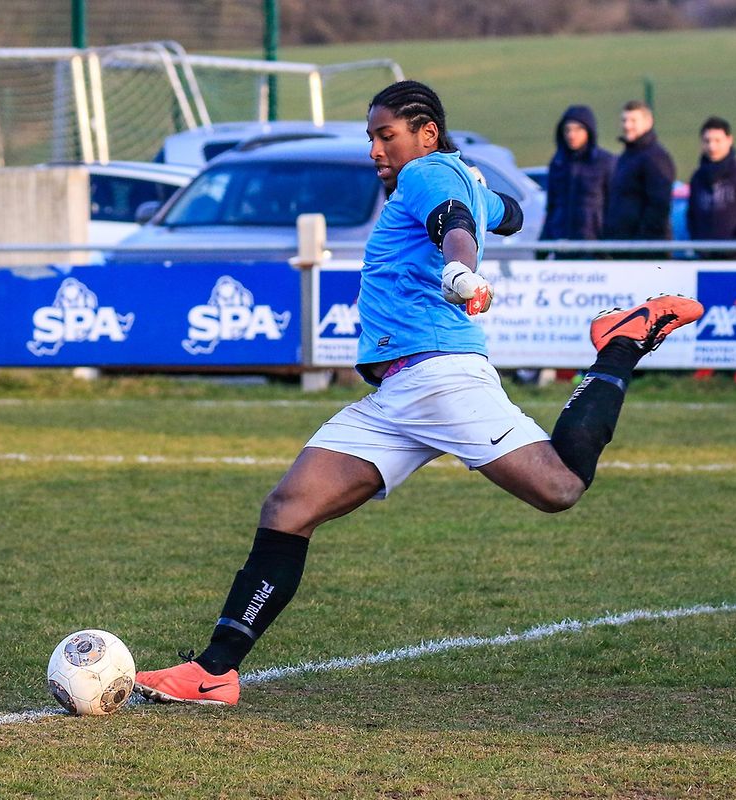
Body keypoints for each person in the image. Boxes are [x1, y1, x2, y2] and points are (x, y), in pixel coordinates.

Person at [134, 81, 703, 707]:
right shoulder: (454, 174)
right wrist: (486, 201)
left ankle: (620, 344)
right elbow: (500, 212)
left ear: (425, 133)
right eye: (371, 138)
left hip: (440, 379)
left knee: (560, 486)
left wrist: (459, 266)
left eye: (387, 135)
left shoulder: (426, 174)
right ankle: (215, 670)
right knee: (288, 508)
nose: (376, 150)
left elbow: (451, 224)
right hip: (396, 395)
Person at [540, 105, 615, 257]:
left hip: (594, 251)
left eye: (578, 129)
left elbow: (613, 207)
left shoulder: (605, 162)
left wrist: (609, 246)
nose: (571, 135)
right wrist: (542, 246)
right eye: (567, 130)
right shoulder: (558, 163)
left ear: (589, 131)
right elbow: (552, 208)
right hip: (561, 247)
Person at [602, 100, 675, 256]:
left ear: (648, 122)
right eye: (624, 120)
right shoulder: (626, 157)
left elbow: (659, 206)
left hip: (644, 252)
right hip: (623, 248)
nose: (627, 125)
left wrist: (642, 244)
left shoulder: (656, 158)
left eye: (633, 120)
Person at [687, 116, 736, 259]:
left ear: (729, 140)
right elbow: (692, 215)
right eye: (707, 141)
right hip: (707, 261)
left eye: (717, 140)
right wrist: (699, 244)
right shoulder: (697, 178)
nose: (712, 146)